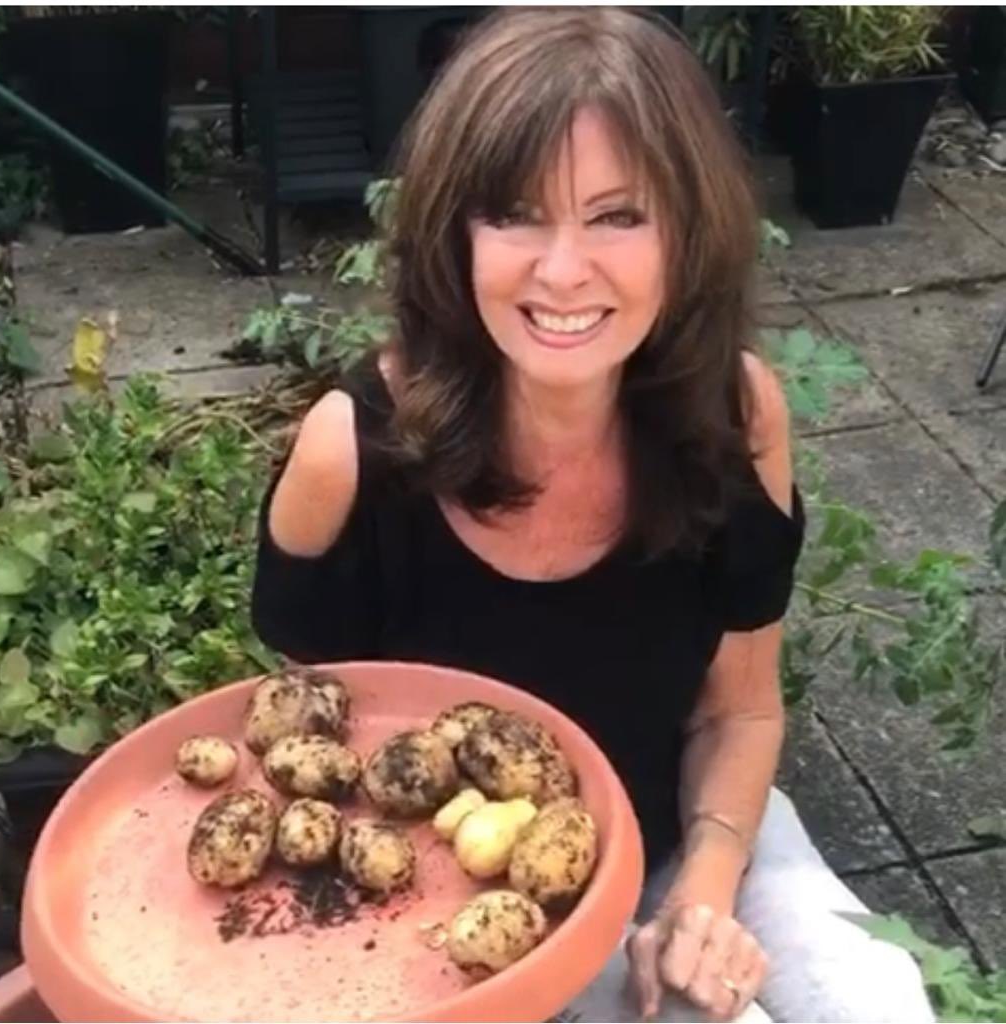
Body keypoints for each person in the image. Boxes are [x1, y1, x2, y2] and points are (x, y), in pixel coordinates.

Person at [251, 8, 933, 1022]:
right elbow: (319, 775)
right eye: (515, 213)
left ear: (685, 232)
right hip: (467, 902)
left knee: (877, 999)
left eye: (617, 216)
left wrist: (701, 895)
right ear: (453, 232)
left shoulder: (733, 417)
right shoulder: (352, 456)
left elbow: (738, 708)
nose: (563, 271)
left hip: (680, 825)